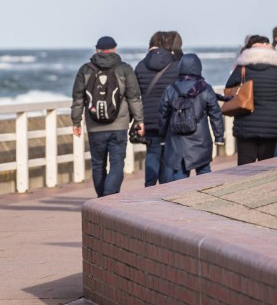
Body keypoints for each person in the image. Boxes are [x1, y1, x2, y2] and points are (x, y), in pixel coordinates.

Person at [71, 36, 143, 197]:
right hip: (119, 125)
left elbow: (78, 99)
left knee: (98, 165)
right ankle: (110, 196)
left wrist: (76, 122)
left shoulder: (85, 70)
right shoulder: (124, 69)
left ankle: (102, 198)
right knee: (117, 163)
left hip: (94, 125)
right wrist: (139, 120)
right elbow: (134, 97)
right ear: (114, 49)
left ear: (97, 50)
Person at [225, 35, 277, 165]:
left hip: (246, 123)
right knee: (266, 166)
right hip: (271, 123)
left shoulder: (242, 68)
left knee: (245, 167)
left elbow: (229, 89)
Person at [156, 54, 225, 179]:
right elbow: (215, 114)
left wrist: (162, 136)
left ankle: (182, 198)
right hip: (200, 139)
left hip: (177, 140)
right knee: (204, 171)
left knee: (180, 175)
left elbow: (163, 115)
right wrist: (218, 137)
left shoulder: (171, 89)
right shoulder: (205, 88)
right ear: (199, 68)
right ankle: (208, 197)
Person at [134, 31, 183, 187]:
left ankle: (149, 186)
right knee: (169, 154)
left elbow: (135, 95)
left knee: (153, 151)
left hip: (149, 118)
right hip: (170, 117)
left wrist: (137, 119)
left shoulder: (141, 66)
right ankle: (166, 187)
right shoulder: (176, 65)